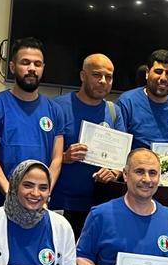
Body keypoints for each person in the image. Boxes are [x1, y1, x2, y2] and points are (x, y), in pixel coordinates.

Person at [0, 38, 63, 209]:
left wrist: (43, 194)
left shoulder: (54, 110)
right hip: (0, 203)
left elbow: (57, 158)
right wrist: (11, 194)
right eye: (25, 63)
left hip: (38, 204)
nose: (32, 68)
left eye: (37, 64)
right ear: (12, 67)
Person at [52, 54, 124, 236]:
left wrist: (114, 172)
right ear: (83, 76)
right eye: (97, 75)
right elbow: (41, 153)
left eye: (108, 77)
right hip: (61, 203)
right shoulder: (57, 107)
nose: (103, 81)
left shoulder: (114, 112)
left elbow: (122, 159)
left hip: (99, 206)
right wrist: (64, 157)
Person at [116, 49, 168, 151]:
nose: (163, 78)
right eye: (158, 72)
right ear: (147, 73)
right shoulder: (127, 102)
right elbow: (118, 146)